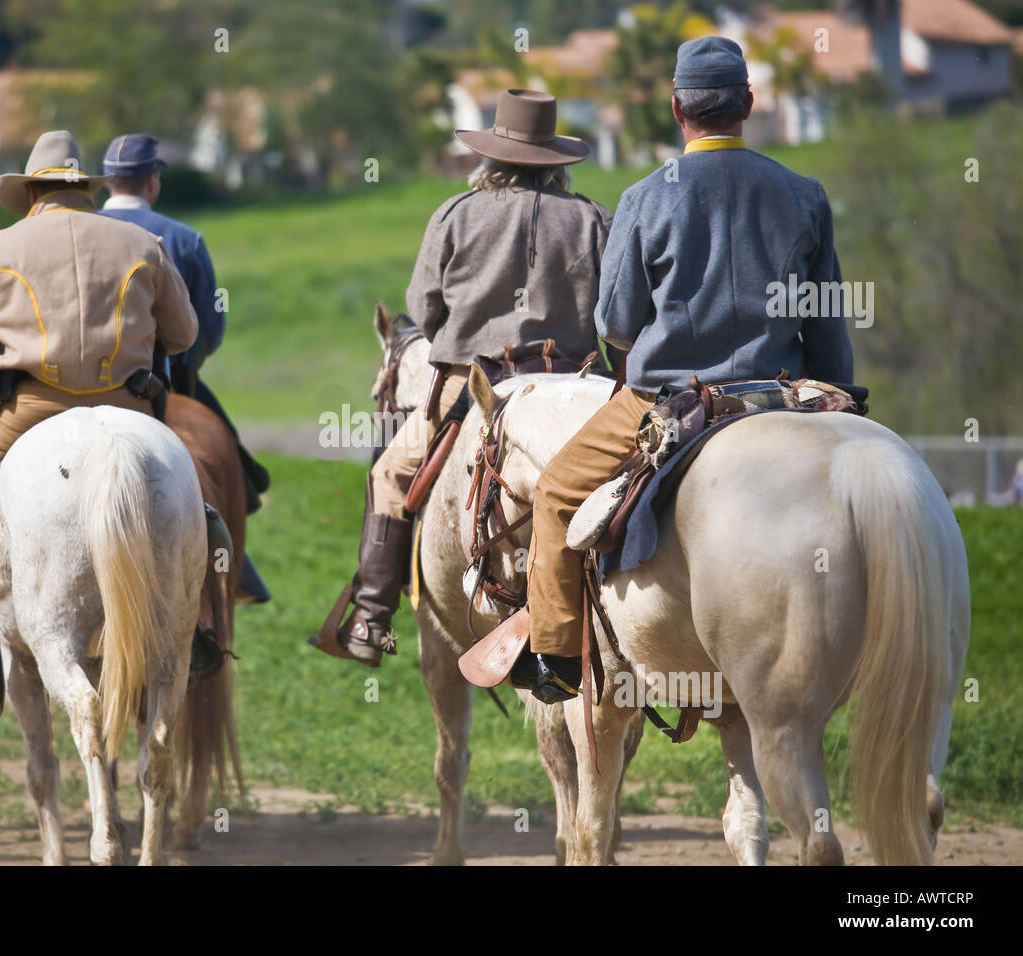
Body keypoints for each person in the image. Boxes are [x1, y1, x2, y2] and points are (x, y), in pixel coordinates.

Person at [504, 37, 855, 704]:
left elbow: (615, 323)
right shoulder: (804, 194)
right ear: (748, 105)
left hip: (667, 398)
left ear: (676, 108)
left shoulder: (645, 198)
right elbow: (829, 321)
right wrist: (842, 391)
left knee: (553, 494)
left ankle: (554, 658)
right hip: (779, 394)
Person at [310, 89, 613, 667]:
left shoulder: (455, 214)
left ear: (492, 157)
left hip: (469, 391)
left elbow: (424, 313)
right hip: (576, 387)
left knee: (392, 474)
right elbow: (615, 315)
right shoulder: (593, 220)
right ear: (555, 161)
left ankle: (371, 620)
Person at [0, 130, 198, 686]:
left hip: (29, 409)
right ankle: (194, 629)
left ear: (32, 191)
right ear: (85, 188)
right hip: (127, 405)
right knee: (191, 499)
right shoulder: (141, 244)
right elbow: (183, 334)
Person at [99, 132, 271, 602]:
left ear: (105, 182)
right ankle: (231, 560)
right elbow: (207, 329)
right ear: (152, 180)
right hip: (166, 383)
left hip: (80, 386)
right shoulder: (184, 238)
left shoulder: (81, 233)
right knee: (235, 466)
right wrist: (184, 364)